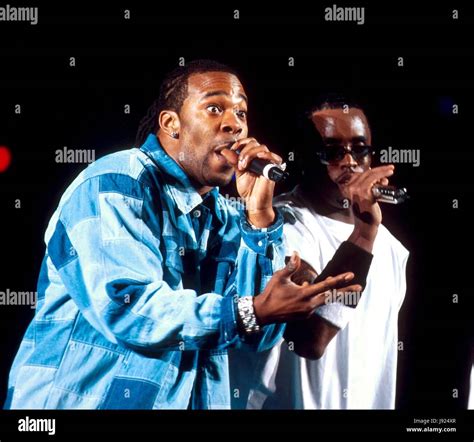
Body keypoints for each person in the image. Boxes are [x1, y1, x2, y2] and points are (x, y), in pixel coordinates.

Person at [4, 61, 357, 410]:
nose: (234, 124)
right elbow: (129, 309)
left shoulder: (226, 216)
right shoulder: (116, 183)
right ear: (171, 124)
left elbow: (258, 335)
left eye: (241, 112)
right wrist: (248, 312)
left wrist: (260, 217)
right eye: (215, 108)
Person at [230, 95, 409, 409]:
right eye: (333, 152)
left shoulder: (393, 248)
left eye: (359, 149)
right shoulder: (277, 225)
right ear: (304, 158)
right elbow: (310, 339)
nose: (349, 161)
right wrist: (364, 233)